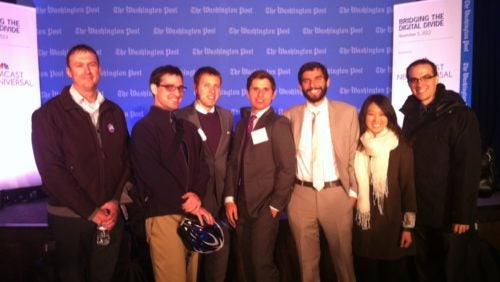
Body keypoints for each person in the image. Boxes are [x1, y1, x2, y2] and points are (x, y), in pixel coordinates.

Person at [31, 44, 130, 282]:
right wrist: (91, 212)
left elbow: (125, 161)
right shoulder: (48, 115)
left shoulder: (114, 111)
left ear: (100, 69)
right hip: (70, 220)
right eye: (79, 65)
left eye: (92, 65)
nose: (87, 70)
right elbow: (52, 173)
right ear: (68, 72)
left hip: (110, 216)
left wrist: (114, 201)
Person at [129, 65, 214, 282]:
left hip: (191, 212)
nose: (177, 93)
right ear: (153, 88)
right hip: (163, 213)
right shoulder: (143, 128)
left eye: (180, 88)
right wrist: (186, 201)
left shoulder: (188, 127)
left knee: (190, 276)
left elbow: (203, 167)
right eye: (169, 87)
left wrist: (196, 196)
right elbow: (151, 173)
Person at [400, 58, 481, 282]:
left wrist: (462, 215)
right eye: (413, 79)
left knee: (452, 273)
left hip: (449, 216)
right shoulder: (411, 114)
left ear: (436, 79)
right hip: (421, 213)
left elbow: (468, 168)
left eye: (426, 77)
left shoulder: (460, 115)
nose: (420, 83)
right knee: (424, 271)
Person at [283, 61, 358, 282]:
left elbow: (354, 155)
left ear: (327, 81)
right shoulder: (289, 115)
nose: (312, 84)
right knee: (307, 265)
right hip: (300, 195)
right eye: (306, 80)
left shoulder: (348, 112)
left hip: (336, 194)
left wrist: (352, 194)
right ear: (299, 86)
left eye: (317, 79)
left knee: (344, 261)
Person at [224, 70, 296, 282]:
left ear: (273, 94)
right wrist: (229, 198)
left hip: (265, 207)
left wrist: (275, 206)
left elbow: (287, 168)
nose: (260, 94)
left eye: (266, 90)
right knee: (245, 263)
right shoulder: (241, 123)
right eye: (255, 89)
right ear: (247, 93)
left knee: (261, 266)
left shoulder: (278, 123)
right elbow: (233, 164)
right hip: (241, 207)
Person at [176, 66, 233, 282]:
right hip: (194, 203)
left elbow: (226, 159)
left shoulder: (227, 116)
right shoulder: (181, 117)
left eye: (216, 86)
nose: (212, 91)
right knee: (193, 268)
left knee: (218, 265)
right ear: (195, 88)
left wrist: (228, 197)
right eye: (206, 85)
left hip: (221, 204)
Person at [352, 94, 417, 282]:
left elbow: (408, 189)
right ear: (363, 116)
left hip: (393, 227)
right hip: (364, 227)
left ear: (389, 116)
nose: (376, 119)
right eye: (371, 114)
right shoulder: (357, 145)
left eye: (382, 114)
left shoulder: (401, 147)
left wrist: (408, 228)